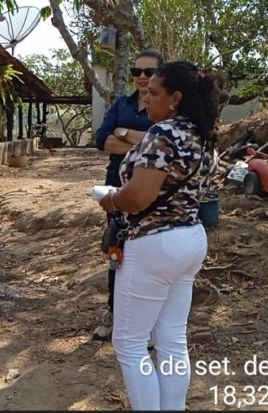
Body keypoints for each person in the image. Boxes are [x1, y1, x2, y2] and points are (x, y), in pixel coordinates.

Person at [98, 61, 218, 410]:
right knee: (171, 338)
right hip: (191, 238)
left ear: (175, 98)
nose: (145, 99)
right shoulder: (203, 135)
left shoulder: (163, 134)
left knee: (130, 344)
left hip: (155, 243)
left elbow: (138, 197)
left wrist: (111, 199)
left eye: (153, 93)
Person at [93, 49, 164, 341]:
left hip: (154, 189)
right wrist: (143, 141)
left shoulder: (168, 107)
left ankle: (149, 324)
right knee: (117, 247)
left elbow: (162, 140)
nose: (142, 78)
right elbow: (101, 140)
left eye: (149, 72)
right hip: (117, 185)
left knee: (150, 251)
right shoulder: (120, 104)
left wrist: (125, 134)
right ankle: (113, 311)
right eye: (137, 72)